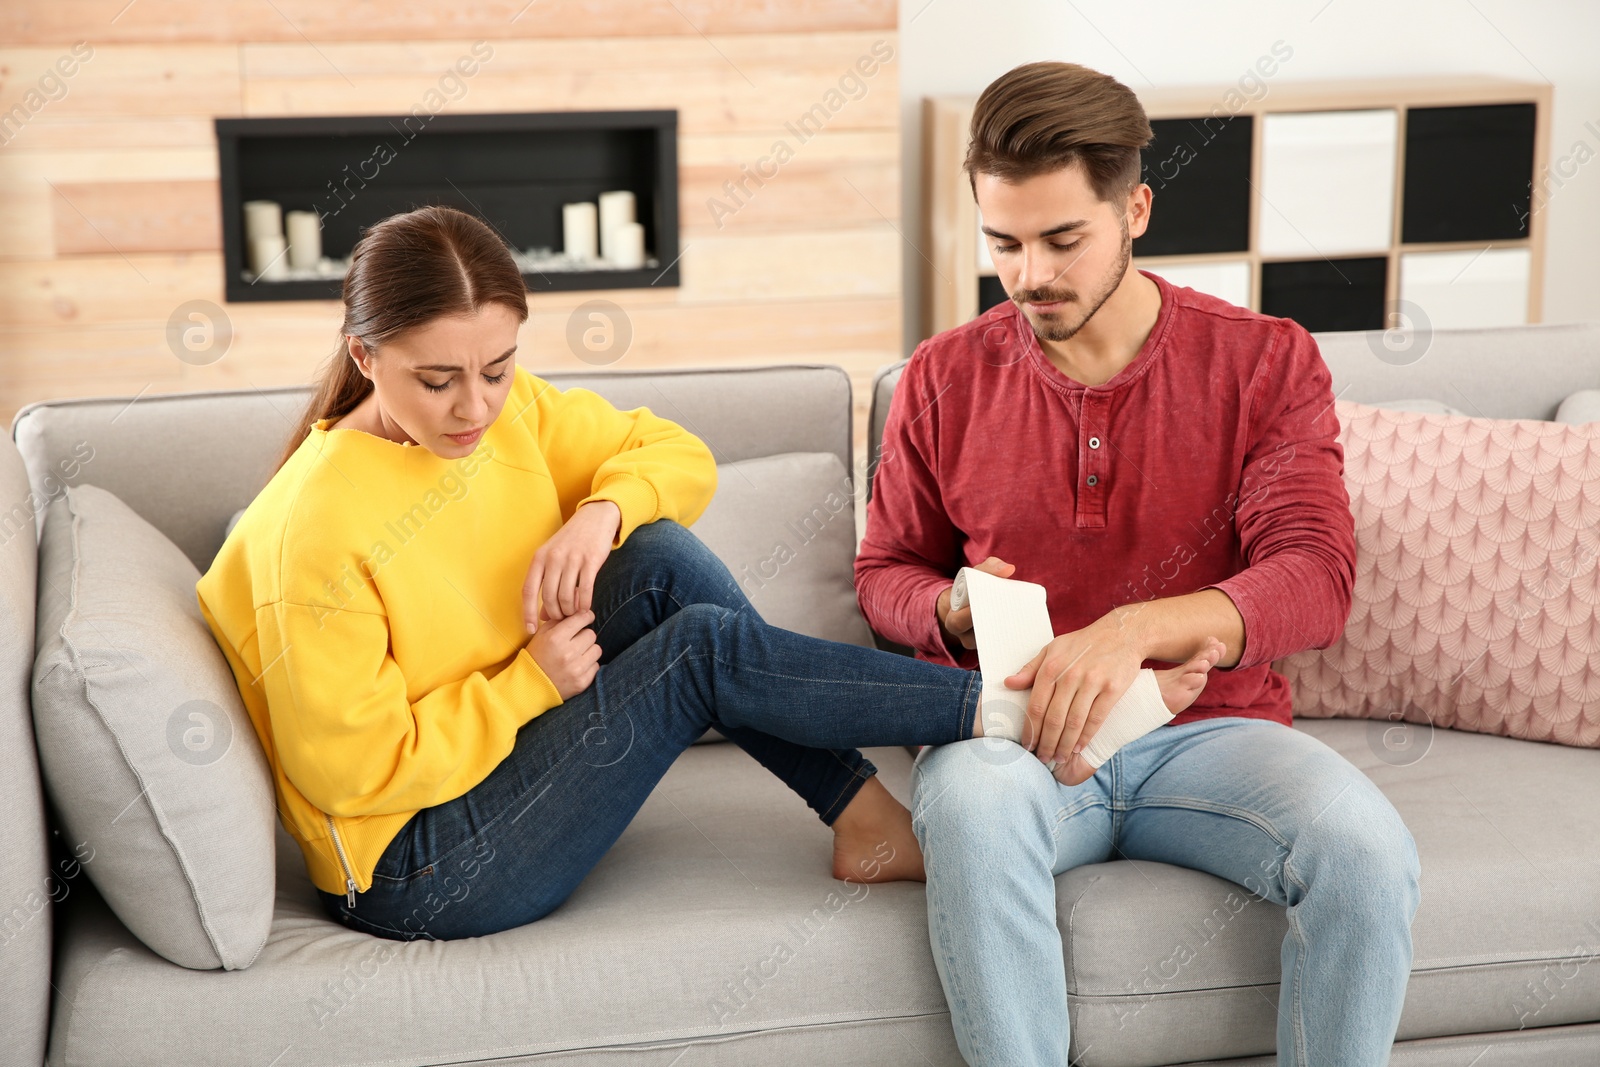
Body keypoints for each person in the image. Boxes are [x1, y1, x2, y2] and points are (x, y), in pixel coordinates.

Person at [195, 203, 1225, 942]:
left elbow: (678, 455)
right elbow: (351, 777)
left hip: (491, 774)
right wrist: (525, 684)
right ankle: (1021, 708)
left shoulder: (510, 417)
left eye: (498, 368)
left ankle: (869, 817)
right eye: (438, 379)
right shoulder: (312, 531)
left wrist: (599, 509)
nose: (476, 407)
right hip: (420, 866)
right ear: (365, 357)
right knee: (693, 651)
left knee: (654, 556)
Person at [853, 62, 1421, 1066]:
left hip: (1209, 735)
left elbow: (1314, 571)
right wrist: (947, 610)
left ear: (1136, 209)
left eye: (1063, 238)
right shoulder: (942, 377)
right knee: (977, 811)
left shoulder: (1264, 360)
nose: (1031, 274)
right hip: (1011, 739)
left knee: (1368, 851)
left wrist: (1131, 630)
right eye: (1004, 242)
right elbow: (885, 568)